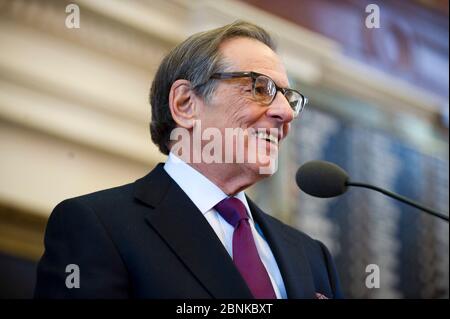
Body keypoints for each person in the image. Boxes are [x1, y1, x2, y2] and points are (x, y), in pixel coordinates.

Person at [34, 21, 343, 299]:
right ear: (185, 104)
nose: (286, 113)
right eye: (261, 88)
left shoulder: (311, 257)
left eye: (289, 98)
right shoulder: (99, 226)